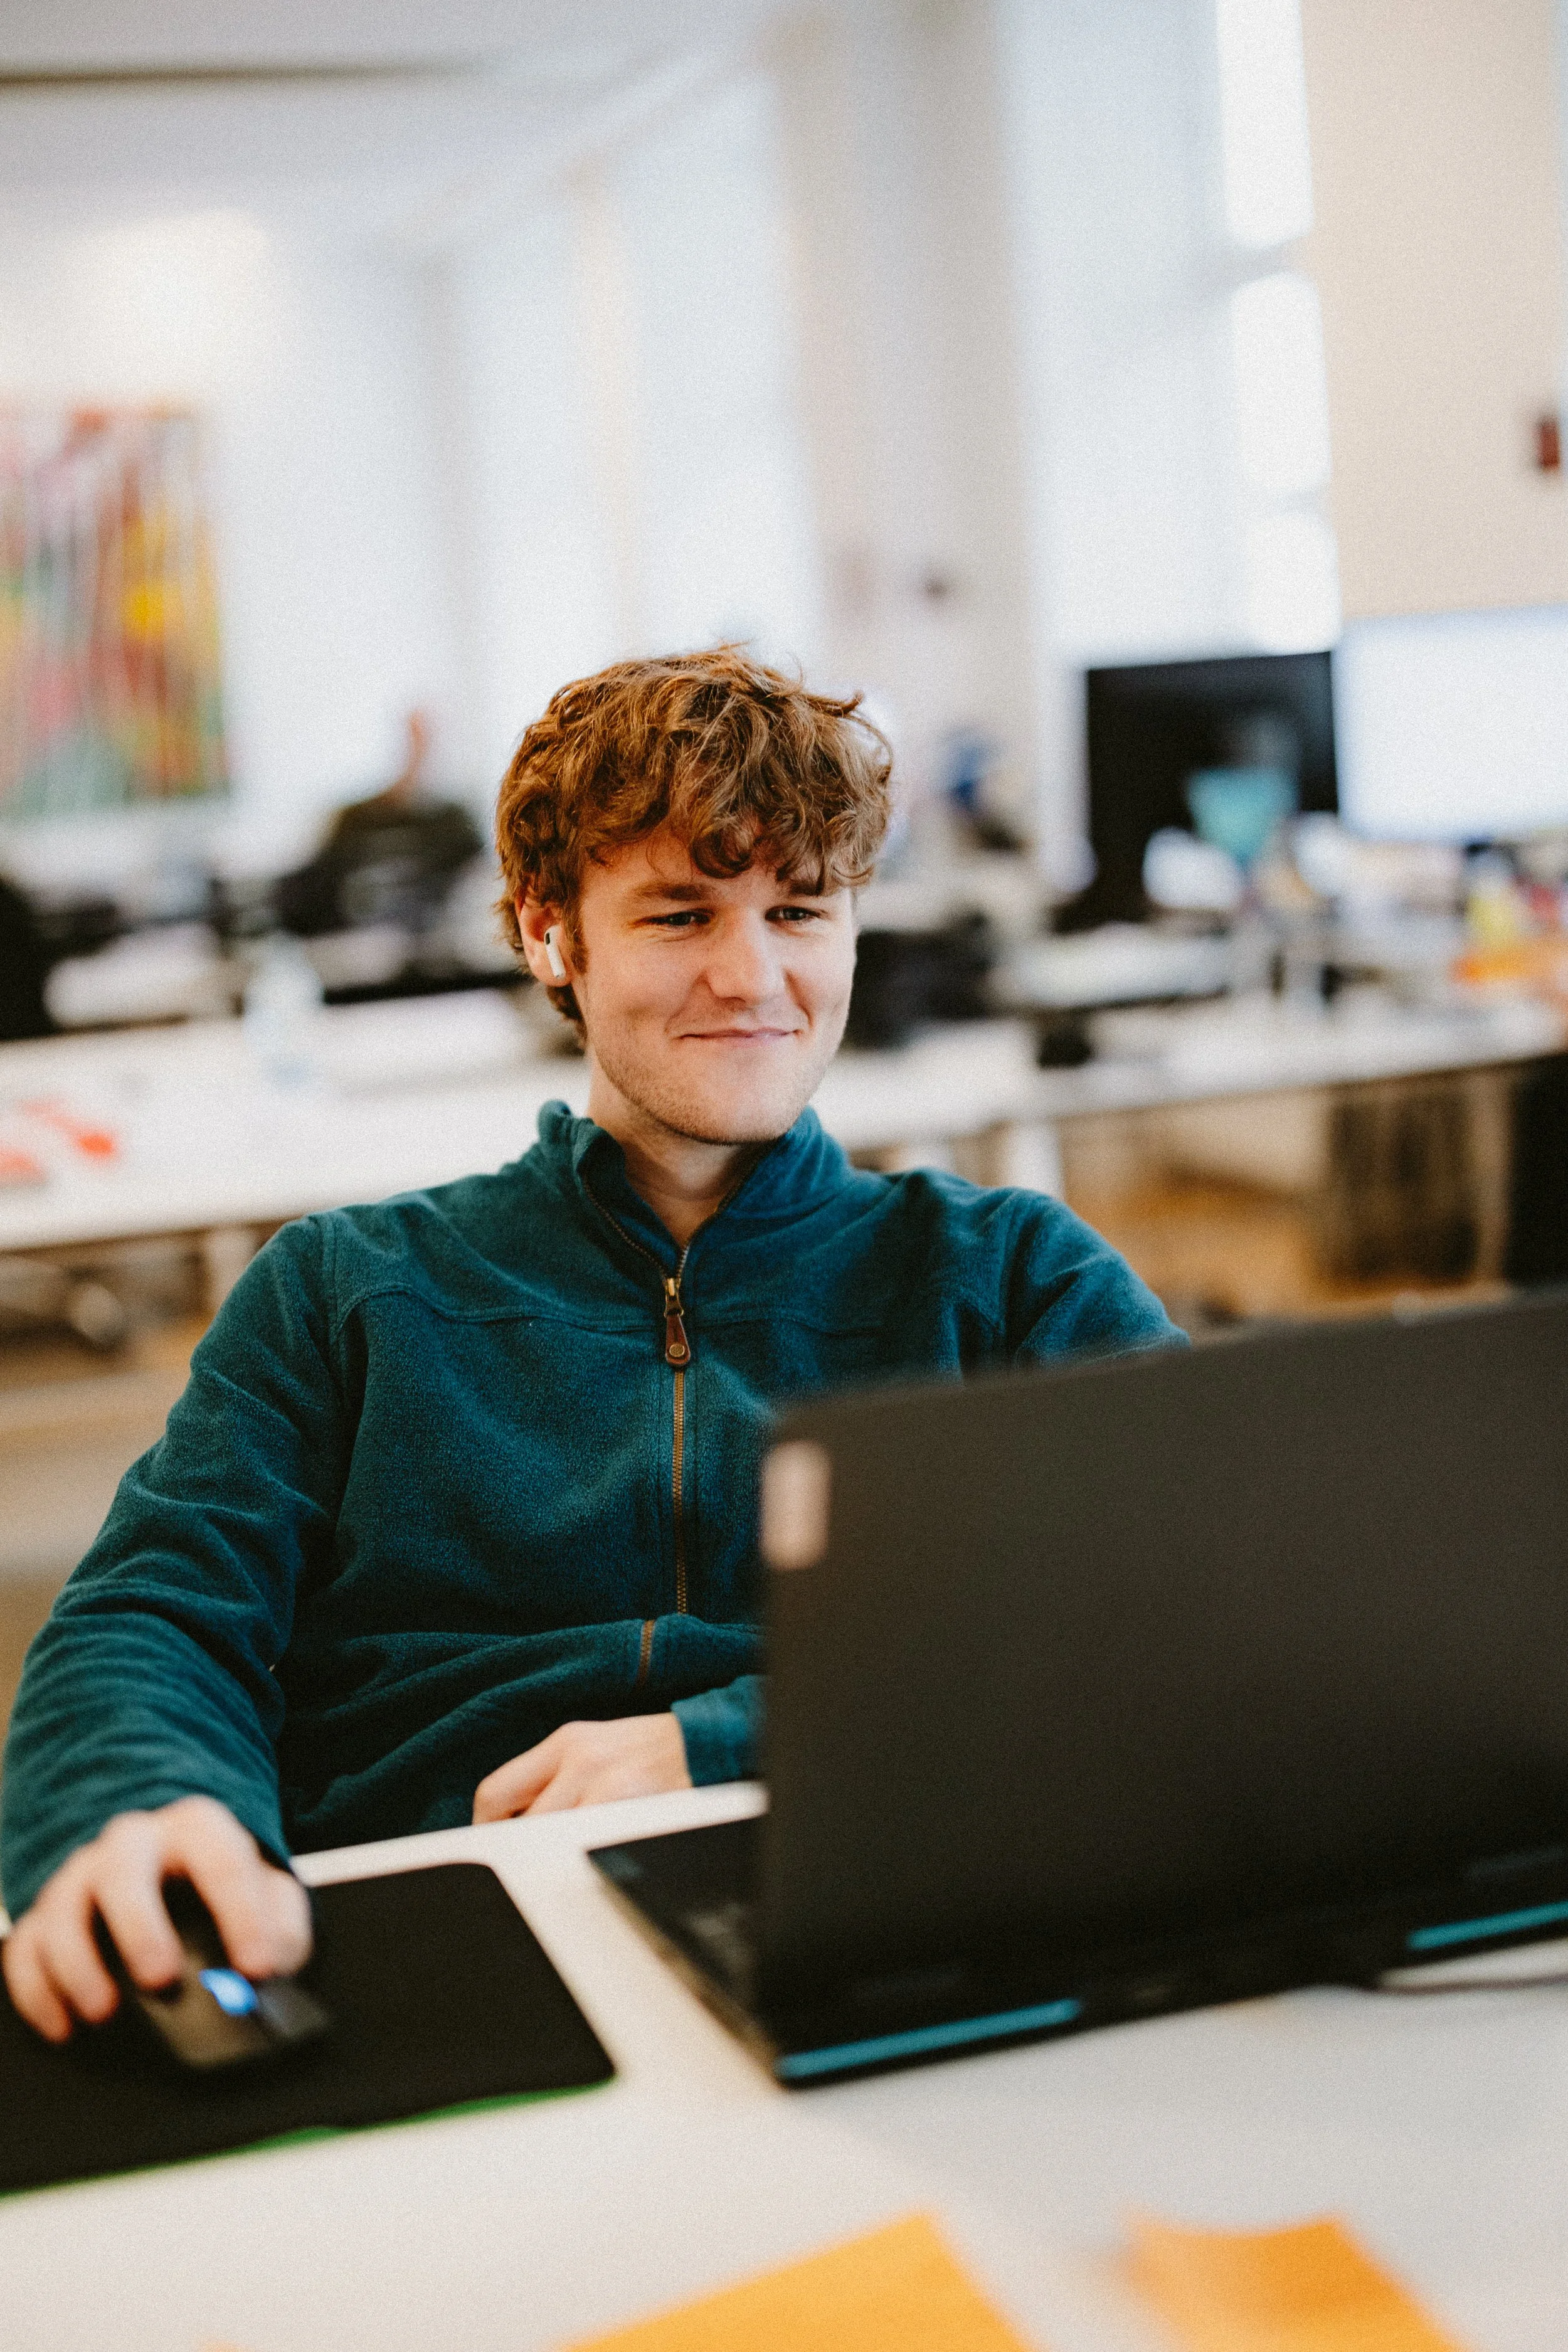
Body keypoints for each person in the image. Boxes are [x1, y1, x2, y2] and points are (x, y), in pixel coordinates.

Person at [0, 648, 1180, 2042]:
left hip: (863, 1890)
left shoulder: (1005, 1278)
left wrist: (726, 1745)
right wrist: (144, 1804)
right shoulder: (341, 1291)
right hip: (432, 1918)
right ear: (547, 934)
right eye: (679, 915)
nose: (753, 976)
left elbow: (1180, 1599)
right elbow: (154, 1616)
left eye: (800, 910)